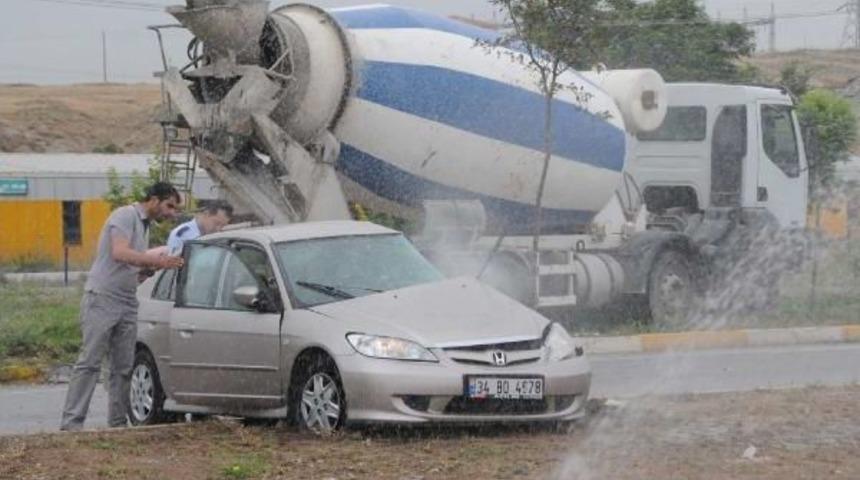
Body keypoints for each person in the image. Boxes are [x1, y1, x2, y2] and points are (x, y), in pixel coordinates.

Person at [60, 182, 184, 431]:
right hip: (103, 298)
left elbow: (129, 267)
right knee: (90, 362)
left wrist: (147, 271)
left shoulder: (145, 226)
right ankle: (71, 425)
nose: (171, 213)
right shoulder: (125, 215)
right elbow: (119, 253)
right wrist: (156, 259)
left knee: (123, 366)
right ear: (153, 200)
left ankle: (117, 424)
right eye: (169, 205)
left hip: (127, 300)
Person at [166, 200, 233, 255]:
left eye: (222, 226)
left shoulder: (216, 237)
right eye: (217, 223)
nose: (218, 229)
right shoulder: (183, 234)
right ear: (206, 214)